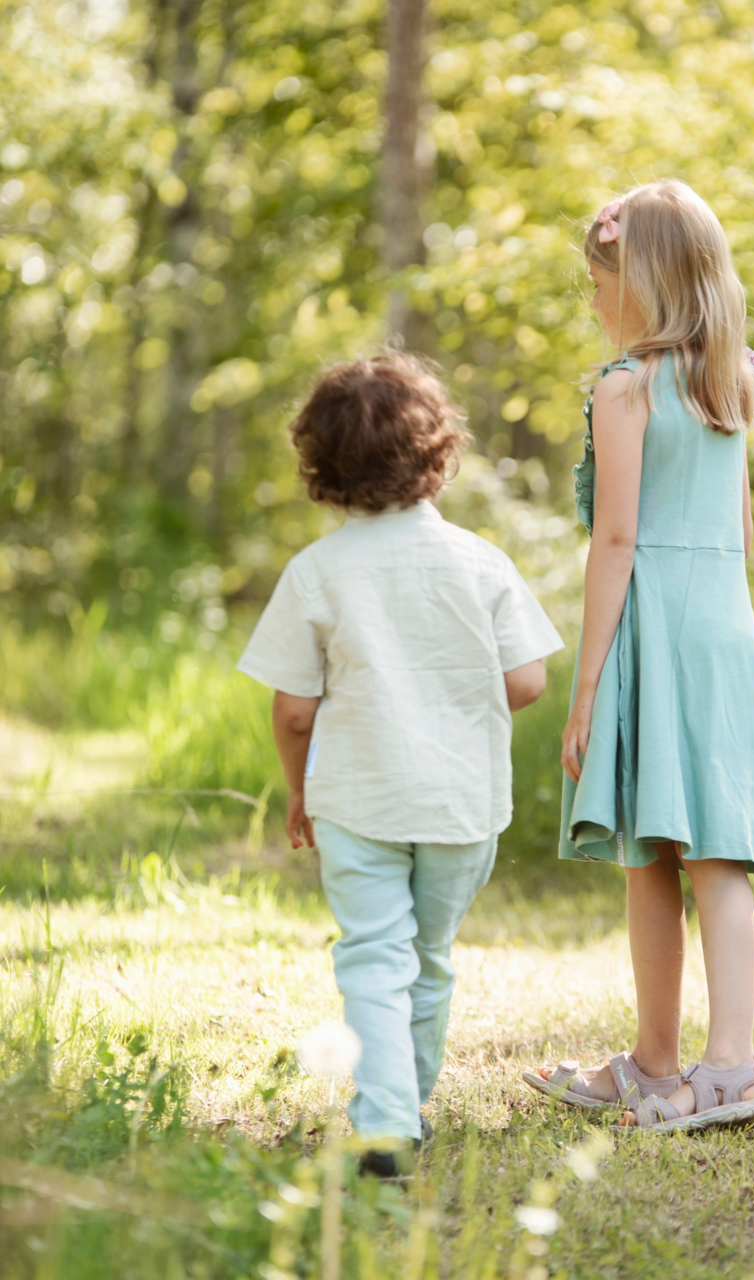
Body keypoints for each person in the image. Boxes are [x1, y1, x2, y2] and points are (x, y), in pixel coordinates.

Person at [523, 181, 754, 1133]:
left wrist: (588, 686)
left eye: (599, 278)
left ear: (639, 280)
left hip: (652, 627)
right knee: (717, 855)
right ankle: (725, 1071)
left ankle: (656, 1065)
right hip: (723, 627)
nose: (594, 299)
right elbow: (739, 530)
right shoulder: (729, 383)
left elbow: (615, 543)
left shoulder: (626, 386)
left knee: (651, 853)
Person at [238, 353, 563, 1177]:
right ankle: (405, 1102)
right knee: (430, 955)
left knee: (373, 955)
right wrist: (455, 705)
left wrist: (299, 791)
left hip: (356, 796)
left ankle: (385, 1122)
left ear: (320, 466)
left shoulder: (315, 572)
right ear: (438, 453)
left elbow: (294, 710)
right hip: (461, 801)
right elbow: (527, 680)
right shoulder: (481, 562)